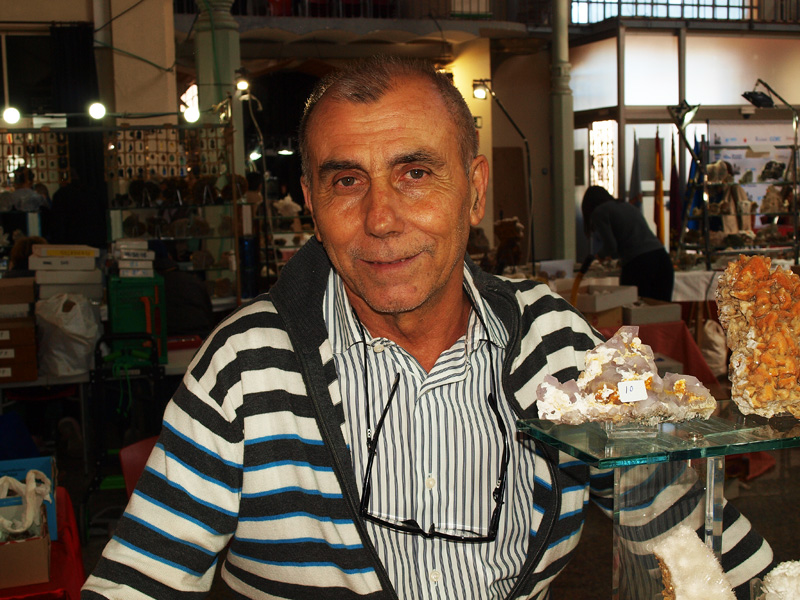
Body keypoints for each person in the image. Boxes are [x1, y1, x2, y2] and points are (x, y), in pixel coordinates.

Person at [82, 57, 771, 599]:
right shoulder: (248, 365)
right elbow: (138, 579)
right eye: (346, 181)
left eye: (415, 173)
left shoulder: (556, 345)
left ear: (473, 190)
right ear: (313, 207)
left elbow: (683, 531)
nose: (381, 219)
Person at [581, 185, 675, 302]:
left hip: (639, 265)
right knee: (662, 312)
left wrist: (598, 256)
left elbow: (611, 246)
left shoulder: (599, 212)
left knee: (634, 311)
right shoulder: (627, 206)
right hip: (662, 259)